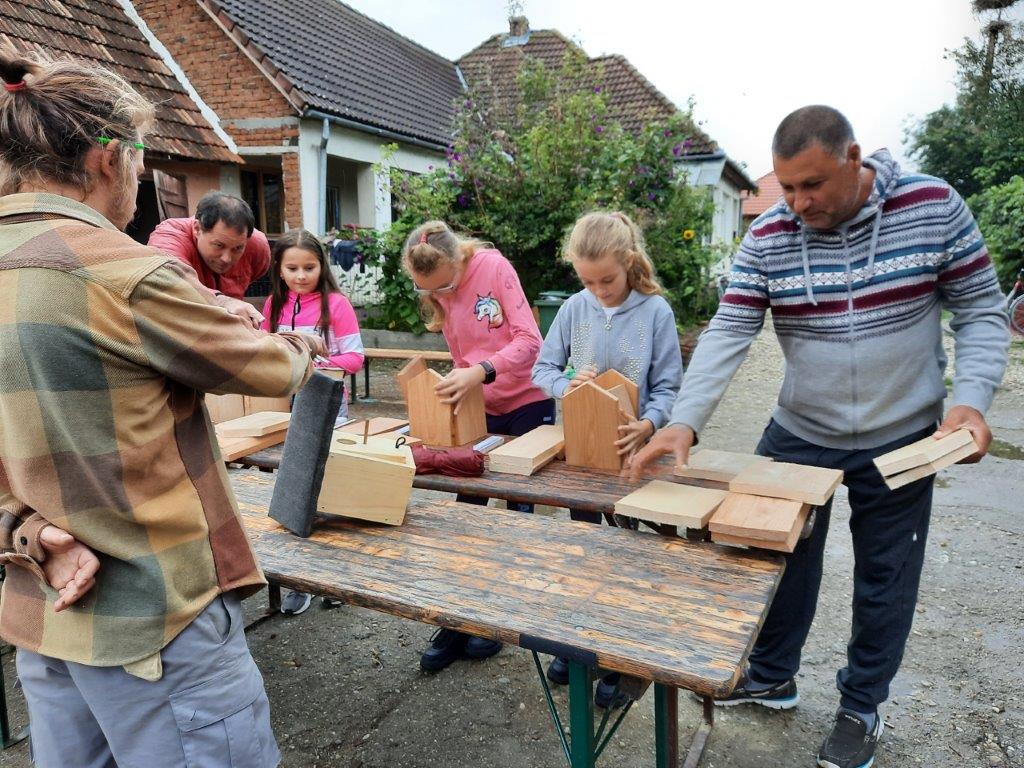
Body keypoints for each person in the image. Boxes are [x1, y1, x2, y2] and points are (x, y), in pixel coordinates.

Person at [630, 105, 1009, 768]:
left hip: (904, 436)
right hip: (801, 431)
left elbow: (981, 309)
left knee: (885, 577)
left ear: (853, 159)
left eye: (812, 185)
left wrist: (971, 403)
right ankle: (773, 675)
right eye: (787, 187)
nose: (798, 202)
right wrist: (684, 420)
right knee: (770, 555)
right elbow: (728, 331)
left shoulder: (933, 205)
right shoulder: (772, 234)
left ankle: (862, 706)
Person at [0, 46, 327, 768]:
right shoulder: (124, 270)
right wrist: (300, 343)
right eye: (141, 168)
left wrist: (27, 531)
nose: (139, 188)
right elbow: (271, 369)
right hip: (156, 626)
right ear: (108, 160)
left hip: (43, 626)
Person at [531, 210, 682, 708]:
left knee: (626, 554)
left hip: (632, 457)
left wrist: (651, 422)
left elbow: (668, 387)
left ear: (629, 262)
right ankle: (579, 646)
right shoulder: (575, 307)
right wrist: (564, 384)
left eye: (608, 280)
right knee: (581, 548)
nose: (599, 291)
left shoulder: (656, 312)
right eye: (588, 281)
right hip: (580, 453)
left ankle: (620, 655)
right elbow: (544, 368)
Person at [402, 220, 554, 673]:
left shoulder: (493, 267)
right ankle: (460, 619)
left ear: (460, 261)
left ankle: (500, 620)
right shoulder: (438, 286)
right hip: (479, 407)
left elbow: (531, 342)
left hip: (526, 404)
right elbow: (460, 352)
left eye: (445, 285)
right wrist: (458, 384)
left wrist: (482, 370)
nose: (440, 295)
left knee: (516, 517)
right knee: (466, 511)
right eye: (428, 290)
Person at [261, 229, 364, 615]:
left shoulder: (336, 305)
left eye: (309, 267)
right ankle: (299, 581)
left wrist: (313, 362)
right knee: (294, 493)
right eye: (293, 268)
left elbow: (355, 359)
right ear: (280, 269)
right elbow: (263, 349)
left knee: (331, 492)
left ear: (322, 266)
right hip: (286, 408)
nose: (301, 275)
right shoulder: (274, 305)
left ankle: (336, 579)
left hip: (328, 408)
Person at [149, 191, 271, 327]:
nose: (227, 259)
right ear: (197, 229)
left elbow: (257, 271)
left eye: (237, 248)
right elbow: (168, 280)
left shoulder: (257, 247)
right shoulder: (169, 238)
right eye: (219, 245)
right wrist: (222, 301)